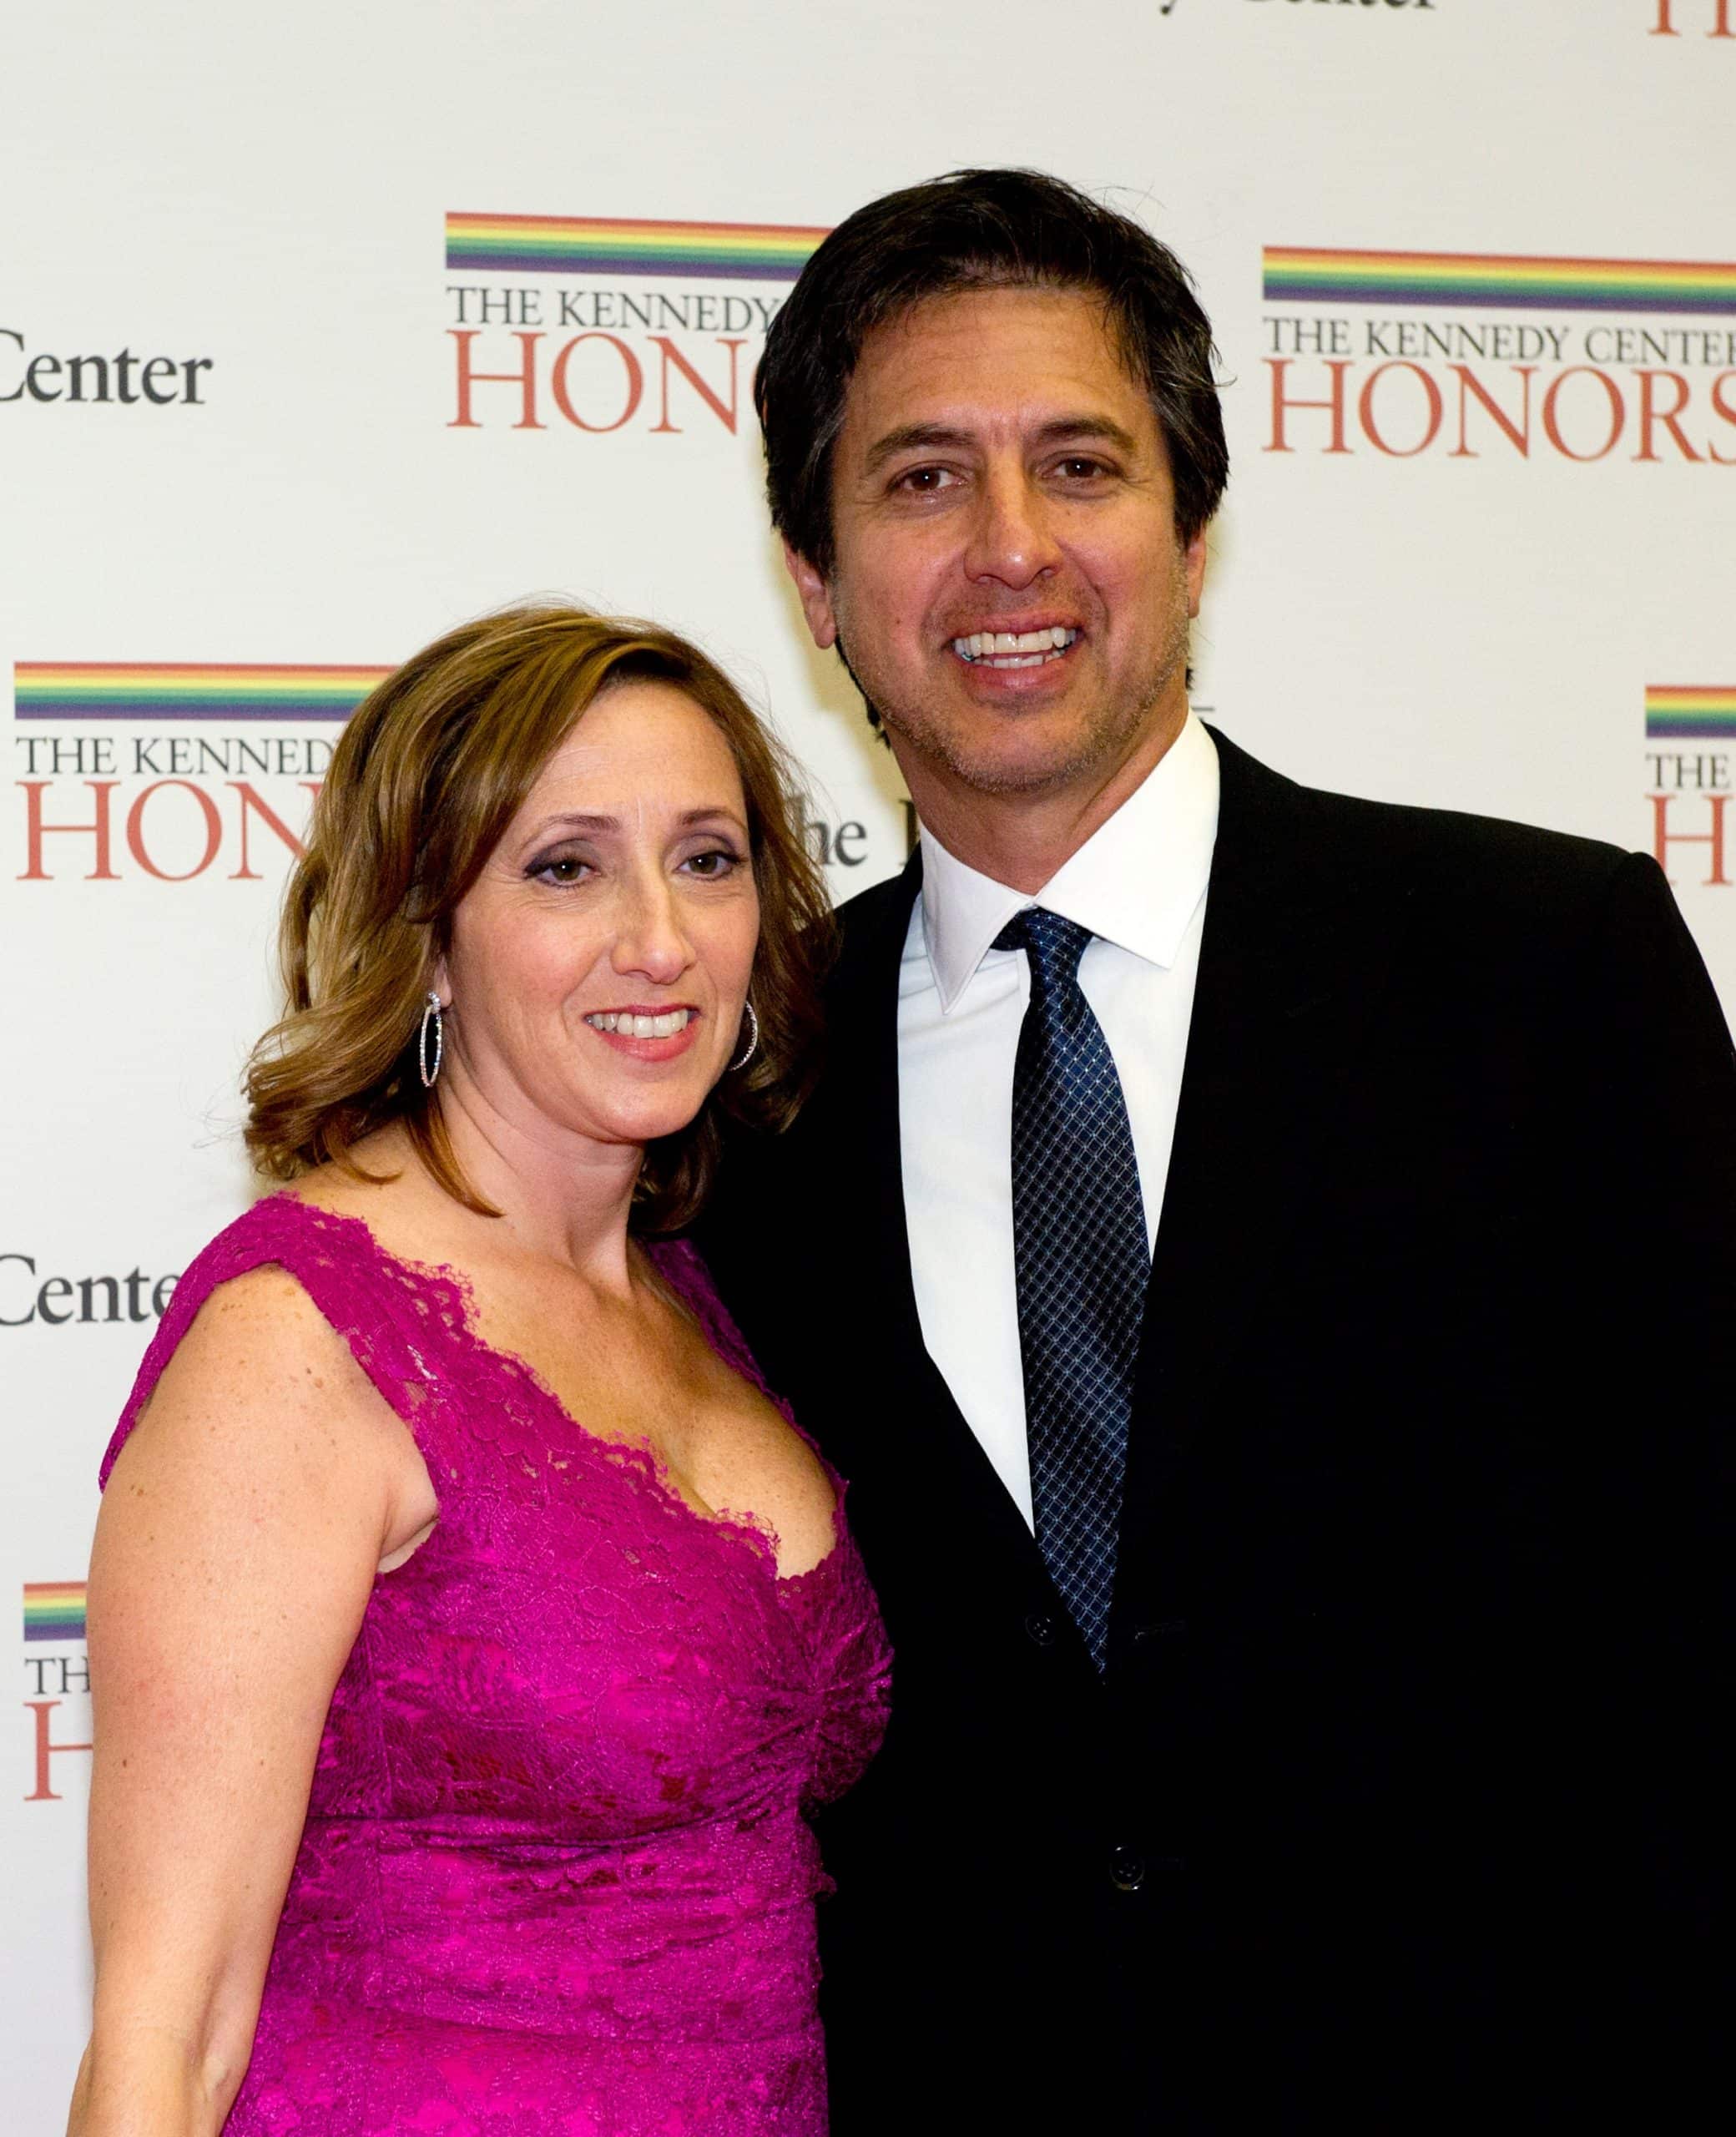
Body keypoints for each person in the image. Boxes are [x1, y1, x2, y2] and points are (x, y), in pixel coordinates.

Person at [697, 169, 1736, 2130]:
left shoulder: (1540, 971)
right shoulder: (738, 1092)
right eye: (920, 479)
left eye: (1076, 465)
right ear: (816, 580)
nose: (1010, 551)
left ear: (1188, 532)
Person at [70, 605, 891, 2137]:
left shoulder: (697, 1297)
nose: (660, 936)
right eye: (565, 865)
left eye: (708, 857)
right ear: (426, 930)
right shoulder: (301, 1340)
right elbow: (162, 2043)